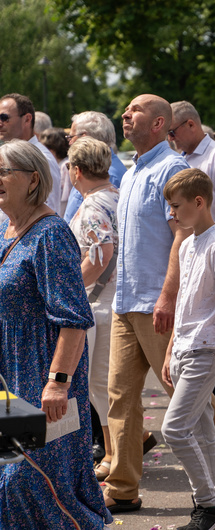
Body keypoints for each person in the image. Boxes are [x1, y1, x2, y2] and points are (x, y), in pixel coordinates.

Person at [104, 95, 215, 514]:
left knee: (184, 392)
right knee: (120, 394)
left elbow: (181, 236)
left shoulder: (172, 168)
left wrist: (168, 296)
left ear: (158, 123)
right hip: (127, 299)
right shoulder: (135, 169)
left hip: (157, 301)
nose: (125, 114)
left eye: (134, 109)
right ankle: (122, 487)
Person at [0, 140, 110, 528]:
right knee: (8, 485)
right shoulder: (4, 228)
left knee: (33, 480)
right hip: (7, 379)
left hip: (43, 379)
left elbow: (74, 318)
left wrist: (58, 383)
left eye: (2, 171)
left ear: (32, 179)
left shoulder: (51, 234)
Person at [160, 168, 215, 530]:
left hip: (209, 349)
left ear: (199, 202)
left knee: (173, 429)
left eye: (176, 206)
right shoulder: (186, 244)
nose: (172, 214)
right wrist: (169, 351)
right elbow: (184, 303)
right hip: (184, 347)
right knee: (203, 431)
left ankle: (207, 504)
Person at [66, 138, 121, 483]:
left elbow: (101, 252)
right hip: (111, 300)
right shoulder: (115, 197)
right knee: (104, 385)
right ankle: (116, 451)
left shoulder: (92, 207)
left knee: (99, 385)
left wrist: (71, 288)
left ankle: (115, 453)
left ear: (77, 170)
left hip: (99, 304)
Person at [169, 101, 215, 231]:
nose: (170, 138)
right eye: (167, 134)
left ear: (191, 124)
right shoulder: (182, 159)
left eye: (172, 132)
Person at [0, 93, 61, 213]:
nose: (0, 123)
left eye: (4, 117)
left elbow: (48, 210)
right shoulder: (5, 155)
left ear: (27, 119)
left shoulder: (41, 158)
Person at [63, 111, 128, 222]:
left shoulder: (106, 173)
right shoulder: (104, 168)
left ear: (85, 138)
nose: (69, 143)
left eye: (71, 137)